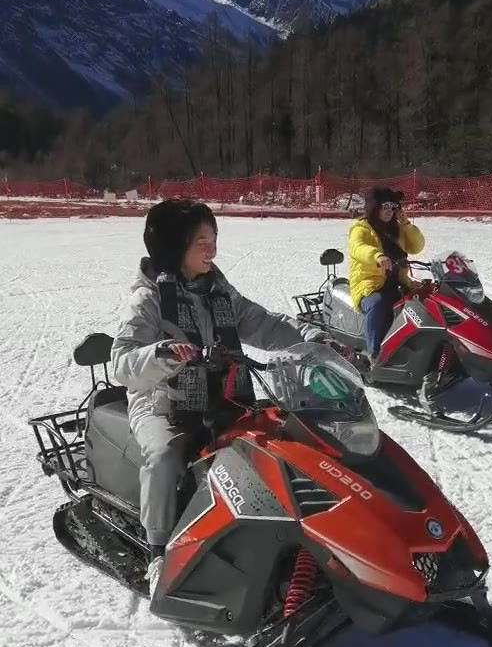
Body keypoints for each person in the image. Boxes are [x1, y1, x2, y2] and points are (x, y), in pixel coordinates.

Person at [111, 199, 322, 560]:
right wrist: (160, 354)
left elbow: (264, 322)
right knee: (164, 456)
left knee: (277, 435)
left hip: (224, 394)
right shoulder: (148, 299)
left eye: (214, 239)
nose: (212, 249)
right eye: (201, 242)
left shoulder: (218, 292)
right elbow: (121, 363)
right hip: (162, 401)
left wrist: (312, 337)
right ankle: (157, 550)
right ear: (175, 247)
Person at [348, 186, 425, 359]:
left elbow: (417, 246)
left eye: (393, 207)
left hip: (398, 282)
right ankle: (375, 354)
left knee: (424, 298)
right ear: (375, 208)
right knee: (378, 304)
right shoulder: (361, 228)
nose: (390, 211)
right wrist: (377, 256)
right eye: (385, 206)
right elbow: (357, 248)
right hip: (369, 285)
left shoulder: (397, 228)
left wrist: (406, 224)